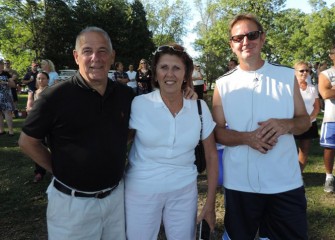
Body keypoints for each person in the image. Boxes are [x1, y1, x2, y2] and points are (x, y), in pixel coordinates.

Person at [18, 26, 134, 240]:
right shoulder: (55, 96)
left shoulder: (126, 95)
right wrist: (58, 168)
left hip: (116, 200)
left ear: (112, 56)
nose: (95, 58)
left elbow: (132, 130)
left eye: (102, 51)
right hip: (72, 207)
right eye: (87, 50)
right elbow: (27, 141)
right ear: (76, 56)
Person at [212, 14, 310, 239]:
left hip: (285, 181)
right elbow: (217, 132)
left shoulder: (286, 76)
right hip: (240, 183)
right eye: (238, 38)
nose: (245, 41)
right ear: (232, 45)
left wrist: (286, 124)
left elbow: (304, 121)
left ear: (262, 38)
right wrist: (248, 138)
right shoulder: (222, 83)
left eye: (251, 35)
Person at [125, 43, 218, 239]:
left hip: (184, 192)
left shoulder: (199, 108)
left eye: (176, 68)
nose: (170, 74)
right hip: (141, 191)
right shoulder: (139, 104)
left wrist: (210, 202)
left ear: (186, 74)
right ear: (155, 72)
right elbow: (120, 141)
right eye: (163, 67)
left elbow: (211, 155)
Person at [293, 61, 320, 173]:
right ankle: (286, 174)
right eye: (301, 70)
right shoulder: (289, 87)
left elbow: (317, 107)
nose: (304, 73)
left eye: (307, 70)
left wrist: (308, 120)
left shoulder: (312, 88)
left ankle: (298, 175)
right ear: (295, 72)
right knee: (288, 150)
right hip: (292, 123)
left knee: (304, 150)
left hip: (309, 123)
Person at [26, 71, 50, 183]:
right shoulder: (33, 92)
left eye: (43, 78)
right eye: (39, 78)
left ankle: (59, 170)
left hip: (51, 124)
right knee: (38, 147)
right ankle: (39, 172)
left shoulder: (52, 91)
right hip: (38, 124)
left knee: (55, 146)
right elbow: (29, 107)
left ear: (48, 80)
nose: (41, 80)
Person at [318, 45, 335, 193]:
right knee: (329, 148)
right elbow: (325, 94)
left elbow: (331, 91)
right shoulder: (326, 74)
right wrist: (330, 90)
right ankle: (329, 177)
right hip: (332, 118)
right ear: (331, 55)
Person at [0, 59, 16, 136]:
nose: (2, 65)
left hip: (5, 96)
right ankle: (1, 130)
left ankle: (10, 131)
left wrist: (5, 83)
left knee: (7, 112)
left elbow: (13, 85)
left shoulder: (6, 74)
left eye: (2, 64)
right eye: (1, 64)